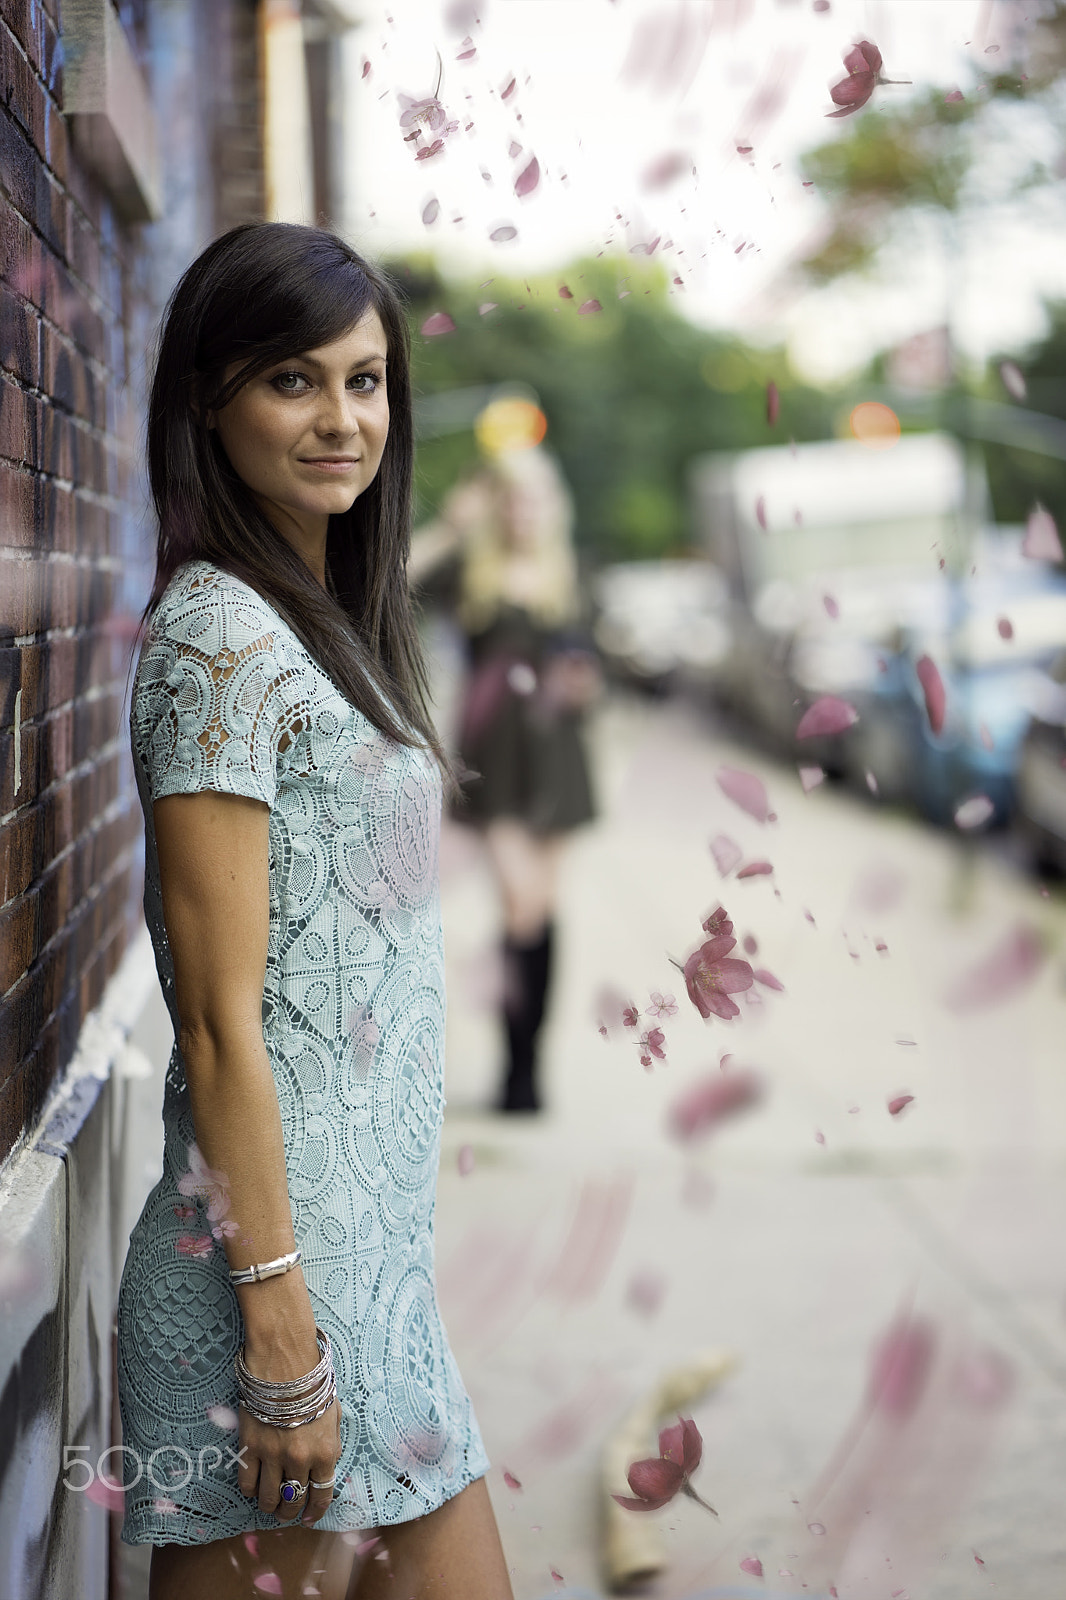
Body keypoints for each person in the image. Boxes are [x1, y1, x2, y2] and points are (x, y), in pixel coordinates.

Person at [115, 223, 513, 1600]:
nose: (343, 418)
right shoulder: (219, 639)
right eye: (293, 380)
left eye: (366, 380)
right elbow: (221, 1025)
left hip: (371, 1279)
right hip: (272, 1301)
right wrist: (279, 1319)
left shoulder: (322, 618)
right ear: (208, 401)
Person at [410, 444, 599, 1113]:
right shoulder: (475, 572)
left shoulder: (569, 575)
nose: (524, 511)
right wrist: (453, 529)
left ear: (553, 506)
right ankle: (517, 1069)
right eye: (512, 498)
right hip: (496, 763)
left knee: (541, 913)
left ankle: (527, 1068)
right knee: (519, 905)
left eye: (535, 497)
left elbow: (596, 663)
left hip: (558, 759)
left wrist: (584, 681)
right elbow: (392, 586)